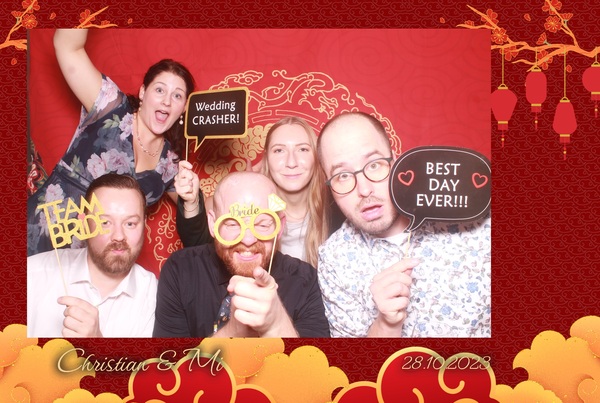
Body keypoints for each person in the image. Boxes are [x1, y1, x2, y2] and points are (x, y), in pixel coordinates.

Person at [317, 111, 491, 338]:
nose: (364, 189)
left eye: (374, 165)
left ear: (396, 162)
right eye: (342, 176)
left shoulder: (477, 222)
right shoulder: (334, 258)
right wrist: (386, 324)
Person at [27, 28, 195, 256]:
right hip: (38, 235)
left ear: (183, 108)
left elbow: (203, 210)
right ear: (143, 92)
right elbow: (68, 47)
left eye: (177, 95)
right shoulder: (111, 106)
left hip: (96, 262)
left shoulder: (170, 163)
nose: (167, 101)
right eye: (159, 90)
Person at [154, 171, 330, 338]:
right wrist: (234, 331)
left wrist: (276, 324)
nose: (248, 239)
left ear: (280, 227)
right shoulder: (181, 271)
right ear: (213, 224)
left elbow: (316, 360)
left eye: (262, 225)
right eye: (232, 224)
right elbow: (169, 359)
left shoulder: (306, 281)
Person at [176, 116, 342, 268]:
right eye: (279, 150)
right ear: (266, 159)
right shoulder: (246, 205)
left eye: (303, 149)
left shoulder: (337, 208)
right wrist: (191, 200)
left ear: (317, 156)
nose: (291, 162)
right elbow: (198, 247)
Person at [27, 173, 157, 338]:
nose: (118, 236)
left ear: (144, 224)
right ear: (84, 223)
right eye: (105, 222)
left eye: (130, 223)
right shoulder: (31, 274)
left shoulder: (155, 295)